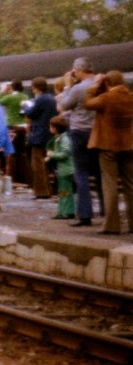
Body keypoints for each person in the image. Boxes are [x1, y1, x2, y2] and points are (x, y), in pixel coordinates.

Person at [83, 70, 133, 234]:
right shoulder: (130, 97)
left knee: (109, 184)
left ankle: (112, 225)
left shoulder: (106, 98)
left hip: (108, 146)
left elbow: (87, 103)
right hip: (128, 145)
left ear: (106, 82)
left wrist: (95, 85)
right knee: (130, 184)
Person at [59, 56, 103, 227]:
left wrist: (68, 85)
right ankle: (106, 210)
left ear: (79, 70)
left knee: (81, 173)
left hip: (79, 132)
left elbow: (64, 105)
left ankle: (85, 215)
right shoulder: (100, 85)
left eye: (75, 70)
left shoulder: (78, 88)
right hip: (98, 132)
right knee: (101, 173)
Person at [23, 77, 58, 199]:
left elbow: (30, 113)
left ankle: (41, 191)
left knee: (37, 164)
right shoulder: (52, 98)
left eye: (33, 88)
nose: (32, 90)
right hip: (49, 134)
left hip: (39, 135)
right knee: (47, 163)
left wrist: (25, 106)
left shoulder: (40, 99)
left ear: (36, 88)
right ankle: (49, 189)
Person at [0, 79, 30, 185]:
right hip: (23, 126)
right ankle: (24, 177)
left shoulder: (10, 98)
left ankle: (11, 177)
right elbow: (25, 111)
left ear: (12, 87)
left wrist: (2, 91)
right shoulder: (25, 97)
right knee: (22, 152)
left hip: (12, 126)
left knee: (10, 153)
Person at [45, 115, 75, 220]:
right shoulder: (59, 138)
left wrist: (51, 155)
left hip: (66, 170)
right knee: (63, 192)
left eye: (50, 126)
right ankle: (64, 211)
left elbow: (65, 154)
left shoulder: (64, 139)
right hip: (63, 170)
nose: (49, 128)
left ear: (55, 128)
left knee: (65, 192)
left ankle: (67, 212)